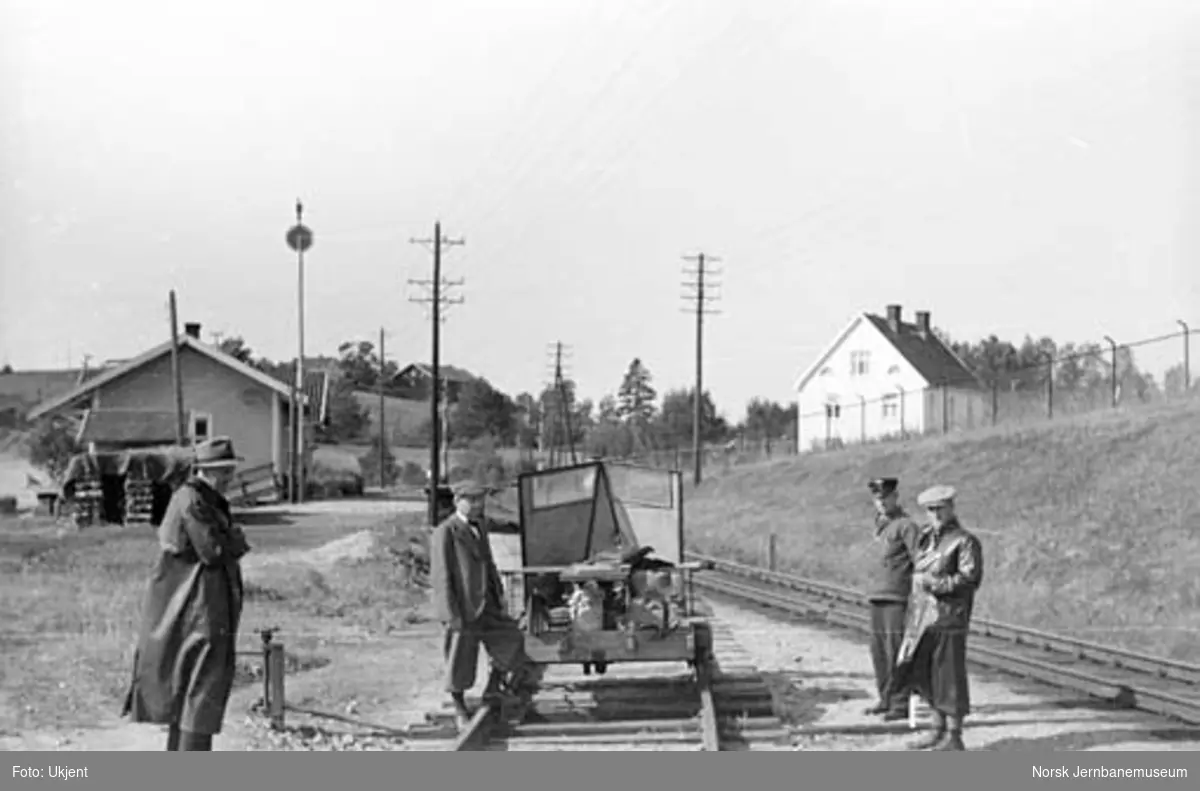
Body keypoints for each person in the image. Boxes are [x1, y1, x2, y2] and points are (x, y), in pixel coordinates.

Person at [122, 436, 251, 751]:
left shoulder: (205, 499)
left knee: (195, 691)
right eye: (224, 470)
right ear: (206, 470)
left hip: (201, 606)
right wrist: (235, 539)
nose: (230, 477)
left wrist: (231, 539)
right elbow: (214, 551)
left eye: (231, 470)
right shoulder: (193, 501)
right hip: (198, 610)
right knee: (200, 690)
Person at [430, 478, 542, 731]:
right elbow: (441, 576)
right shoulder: (445, 532)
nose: (478, 505)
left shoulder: (480, 525)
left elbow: (488, 563)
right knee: (459, 658)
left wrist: (499, 594)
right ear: (458, 501)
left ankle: (494, 687)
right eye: (472, 500)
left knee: (513, 640)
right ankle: (460, 709)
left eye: (481, 499)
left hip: (488, 604)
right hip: (463, 607)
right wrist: (449, 613)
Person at [893, 484, 984, 751]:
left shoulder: (964, 541)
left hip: (949, 617)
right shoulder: (925, 538)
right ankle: (936, 727)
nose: (935, 515)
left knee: (950, 677)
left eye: (939, 509)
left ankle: (954, 735)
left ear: (951, 508)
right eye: (930, 510)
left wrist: (936, 583)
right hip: (923, 617)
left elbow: (969, 579)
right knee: (926, 674)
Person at [862, 477, 921, 721]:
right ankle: (885, 697)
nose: (882, 502)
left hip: (898, 596)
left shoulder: (906, 526)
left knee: (897, 651)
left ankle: (899, 703)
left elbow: (920, 560)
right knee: (879, 652)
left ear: (895, 497)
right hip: (878, 595)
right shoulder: (880, 526)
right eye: (878, 499)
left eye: (886, 498)